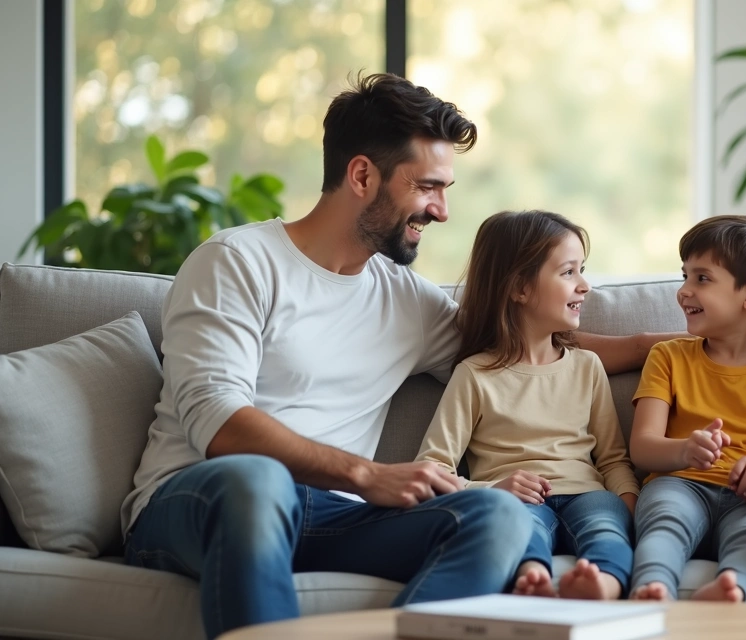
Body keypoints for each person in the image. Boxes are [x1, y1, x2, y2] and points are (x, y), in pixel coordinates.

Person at [119, 75, 664, 639]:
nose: (443, 210)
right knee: (258, 481)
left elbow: (515, 340)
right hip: (205, 504)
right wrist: (367, 475)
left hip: (331, 518)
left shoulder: (406, 300)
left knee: (499, 516)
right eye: (428, 186)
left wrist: (654, 348)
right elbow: (217, 422)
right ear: (361, 175)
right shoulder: (236, 262)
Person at [416, 210, 639, 601]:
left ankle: (603, 584)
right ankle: (532, 578)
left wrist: (629, 503)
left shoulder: (587, 367)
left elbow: (613, 460)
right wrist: (492, 489)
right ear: (520, 288)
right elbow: (433, 467)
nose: (584, 285)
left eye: (581, 270)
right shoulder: (474, 374)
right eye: (568, 272)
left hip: (589, 494)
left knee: (607, 529)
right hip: (518, 503)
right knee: (521, 531)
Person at [628, 215, 746, 603]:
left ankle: (732, 587)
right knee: (665, 521)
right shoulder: (667, 357)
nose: (683, 291)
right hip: (678, 482)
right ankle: (652, 590)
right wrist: (684, 450)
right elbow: (642, 447)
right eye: (685, 276)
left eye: (701, 278)